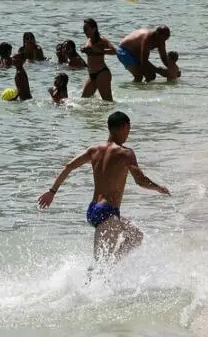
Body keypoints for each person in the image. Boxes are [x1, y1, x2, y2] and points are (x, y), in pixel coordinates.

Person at [37, 111, 170, 261]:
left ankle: (112, 266)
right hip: (107, 213)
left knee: (135, 236)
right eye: (128, 130)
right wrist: (158, 188)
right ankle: (99, 276)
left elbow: (69, 166)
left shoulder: (94, 150)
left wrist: (52, 191)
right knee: (100, 265)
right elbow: (140, 180)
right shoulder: (126, 153)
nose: (128, 134)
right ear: (123, 127)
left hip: (94, 209)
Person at [81, 18, 115, 101]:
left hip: (102, 73)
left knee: (108, 101)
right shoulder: (88, 40)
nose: (84, 31)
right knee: (83, 100)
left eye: (86, 29)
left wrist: (100, 50)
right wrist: (84, 50)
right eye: (83, 29)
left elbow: (114, 51)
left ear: (94, 29)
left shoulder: (101, 40)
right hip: (91, 75)